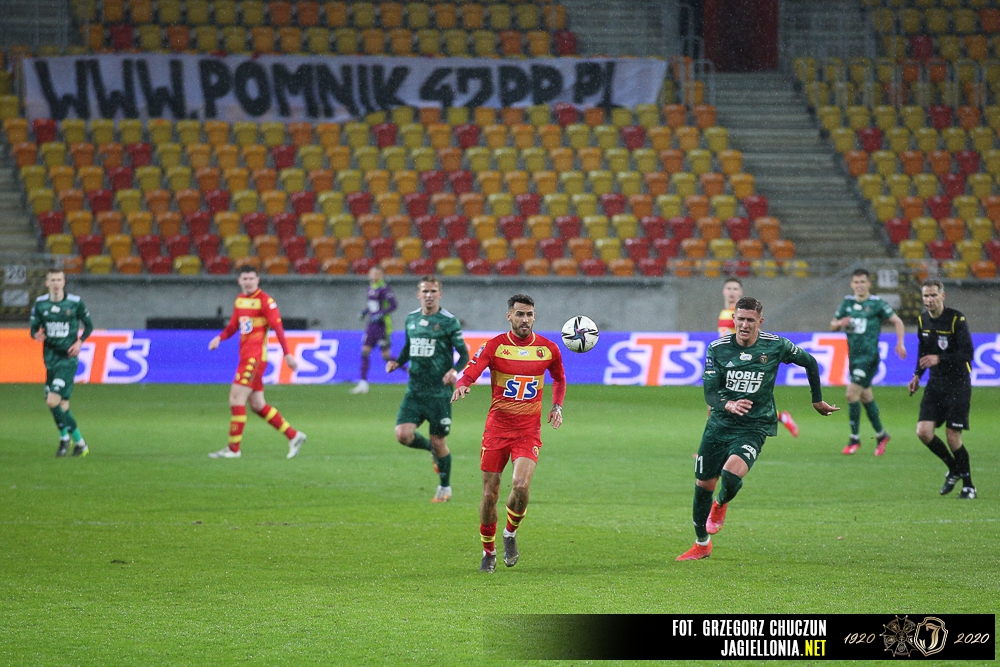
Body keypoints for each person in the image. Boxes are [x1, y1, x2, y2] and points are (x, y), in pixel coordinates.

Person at [677, 297, 839, 561]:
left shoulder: (775, 346)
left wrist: (817, 400)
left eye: (750, 320)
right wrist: (728, 404)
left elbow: (810, 362)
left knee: (730, 476)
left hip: (755, 425)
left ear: (760, 321)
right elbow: (710, 392)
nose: (744, 325)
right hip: (719, 425)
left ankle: (721, 503)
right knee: (703, 483)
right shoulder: (717, 349)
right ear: (733, 319)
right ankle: (702, 544)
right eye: (740, 319)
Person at [452, 295, 566, 573]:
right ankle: (488, 551)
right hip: (497, 430)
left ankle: (510, 533)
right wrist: (463, 383)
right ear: (509, 316)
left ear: (534, 316)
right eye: (519, 314)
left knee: (521, 485)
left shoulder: (548, 349)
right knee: (490, 494)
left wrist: (557, 406)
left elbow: (559, 378)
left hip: (528, 430)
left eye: (529, 314)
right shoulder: (495, 346)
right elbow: (472, 369)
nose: (525, 319)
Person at [208, 265, 306, 460]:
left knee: (236, 399)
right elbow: (233, 326)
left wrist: (287, 354)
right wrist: (220, 337)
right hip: (244, 357)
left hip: (255, 359)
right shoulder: (240, 300)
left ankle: (233, 449)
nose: (248, 282)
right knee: (257, 404)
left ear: (257, 280)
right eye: (244, 279)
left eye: (251, 278)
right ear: (239, 281)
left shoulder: (265, 301)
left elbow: (278, 328)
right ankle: (294, 436)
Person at [386, 276, 470, 502]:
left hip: (439, 392)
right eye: (425, 291)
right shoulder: (411, 319)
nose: (429, 295)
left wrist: (454, 371)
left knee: (439, 442)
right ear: (418, 294)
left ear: (440, 294)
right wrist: (397, 362)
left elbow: (464, 354)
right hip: (415, 391)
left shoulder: (449, 321)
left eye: (433, 291)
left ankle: (444, 488)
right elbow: (408, 347)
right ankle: (431, 451)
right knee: (402, 435)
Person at [907, 279, 976, 499]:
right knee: (923, 432)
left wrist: (940, 358)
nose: (929, 300)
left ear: (942, 296)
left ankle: (969, 486)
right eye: (926, 296)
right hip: (936, 384)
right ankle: (953, 468)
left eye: (933, 295)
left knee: (952, 435)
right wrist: (917, 375)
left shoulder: (956, 319)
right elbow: (923, 351)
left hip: (958, 383)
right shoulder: (923, 320)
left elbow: (967, 353)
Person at [831, 268, 907, 456]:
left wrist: (900, 343)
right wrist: (839, 324)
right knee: (865, 396)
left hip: (869, 357)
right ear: (852, 284)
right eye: (856, 282)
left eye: (863, 282)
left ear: (869, 284)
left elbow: (898, 321)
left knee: (851, 394)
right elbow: (832, 325)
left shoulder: (876, 303)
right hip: (854, 358)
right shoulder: (847, 303)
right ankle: (881, 435)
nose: (859, 285)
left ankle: (854, 439)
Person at [718, 278, 799, 437]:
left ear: (741, 292)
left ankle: (719, 438)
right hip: (727, 363)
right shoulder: (724, 313)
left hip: (740, 363)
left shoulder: (741, 315)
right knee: (726, 401)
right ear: (723, 291)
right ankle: (781, 417)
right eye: (729, 288)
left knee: (735, 402)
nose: (732, 292)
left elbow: (754, 335)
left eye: (735, 289)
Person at [29, 268, 94, 457]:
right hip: (50, 359)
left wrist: (80, 342)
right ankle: (78, 443)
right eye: (53, 280)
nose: (56, 283)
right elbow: (33, 328)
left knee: (52, 400)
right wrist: (36, 335)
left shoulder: (74, 302)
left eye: (59, 279)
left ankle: (67, 439)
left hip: (67, 360)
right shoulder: (41, 304)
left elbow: (89, 326)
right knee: (62, 405)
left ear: (64, 282)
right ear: (47, 283)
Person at [351, 267, 398, 395]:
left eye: (377, 273)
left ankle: (412, 373)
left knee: (386, 357)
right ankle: (363, 383)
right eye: (373, 273)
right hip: (371, 325)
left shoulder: (384, 289)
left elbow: (394, 305)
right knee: (365, 352)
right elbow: (372, 305)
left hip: (382, 326)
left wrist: (381, 313)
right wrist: (365, 312)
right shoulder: (370, 288)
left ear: (381, 275)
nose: (375, 275)